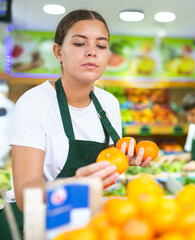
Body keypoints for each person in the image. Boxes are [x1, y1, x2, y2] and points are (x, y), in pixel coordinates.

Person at [0, 9, 151, 239]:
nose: (92, 52)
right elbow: (24, 197)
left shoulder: (109, 104)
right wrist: (74, 185)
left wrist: (122, 160)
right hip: (30, 226)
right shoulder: (34, 103)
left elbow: (104, 168)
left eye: (101, 46)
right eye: (80, 43)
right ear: (58, 52)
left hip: (83, 223)